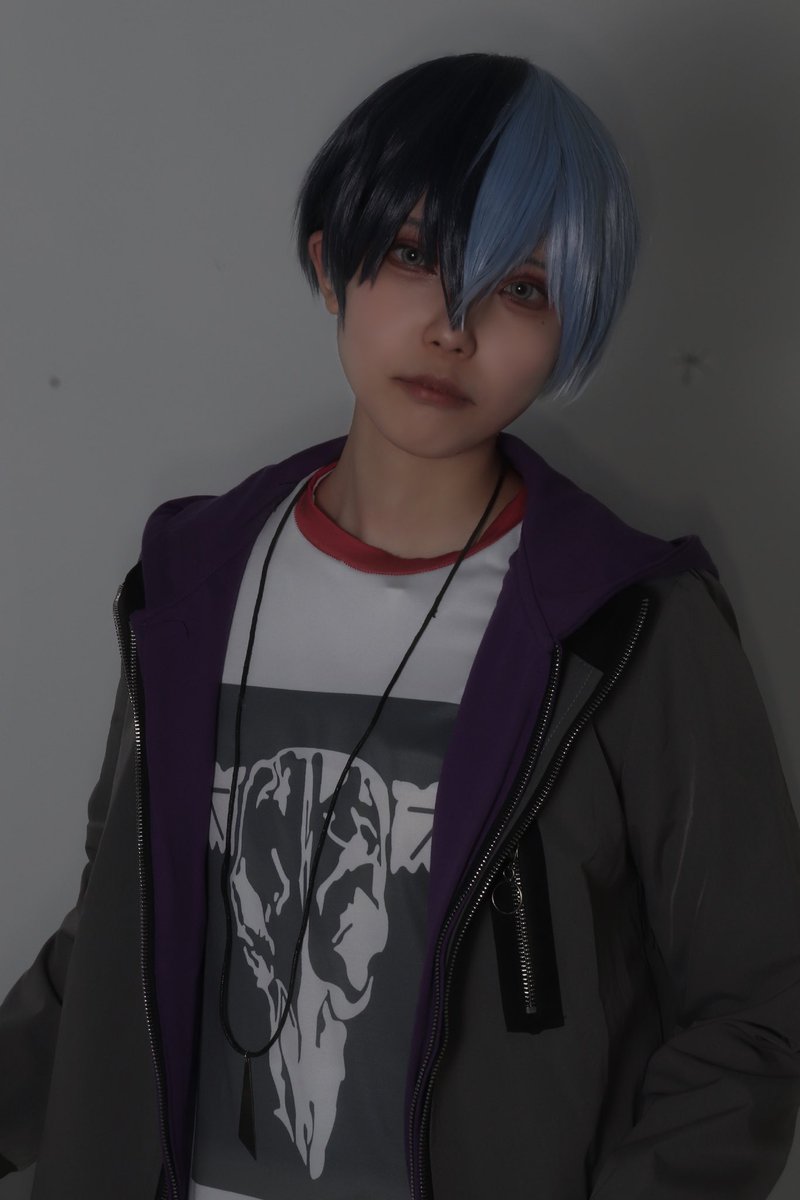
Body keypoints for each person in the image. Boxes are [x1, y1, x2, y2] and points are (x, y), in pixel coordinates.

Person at [1, 50, 799, 1200]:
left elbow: (759, 1007)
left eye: (518, 287)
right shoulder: (192, 585)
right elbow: (120, 935)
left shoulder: (625, 626)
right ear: (330, 264)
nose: (451, 326)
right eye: (417, 256)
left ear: (571, 326)